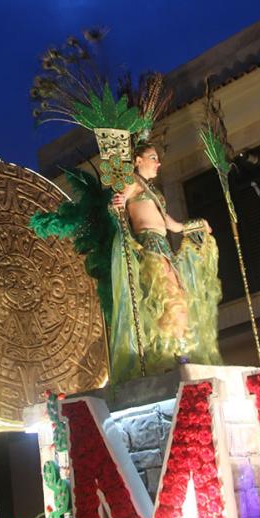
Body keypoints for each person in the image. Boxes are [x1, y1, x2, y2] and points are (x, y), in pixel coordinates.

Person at [109, 143, 223, 382]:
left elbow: (172, 225)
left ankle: (180, 351)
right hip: (150, 247)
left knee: (179, 298)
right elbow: (118, 202)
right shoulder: (133, 181)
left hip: (163, 246)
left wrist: (197, 225)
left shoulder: (151, 189)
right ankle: (174, 354)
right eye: (153, 157)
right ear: (138, 160)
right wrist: (117, 203)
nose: (158, 163)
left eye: (158, 158)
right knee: (167, 299)